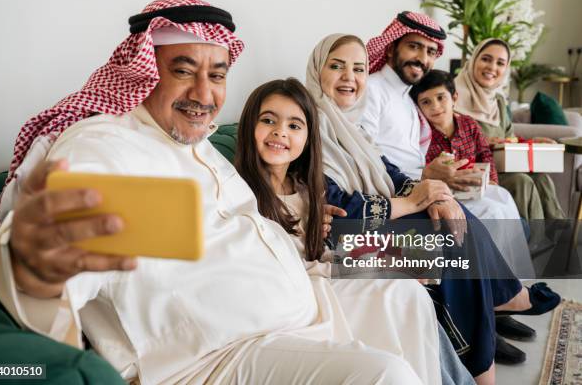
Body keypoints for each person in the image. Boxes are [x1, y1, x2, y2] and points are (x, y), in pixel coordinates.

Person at [0, 0, 432, 385]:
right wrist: (35, 273)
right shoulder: (104, 149)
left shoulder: (196, 145)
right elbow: (54, 264)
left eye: (217, 75)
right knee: (383, 376)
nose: (204, 93)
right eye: (183, 70)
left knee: (403, 295)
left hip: (303, 306)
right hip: (215, 356)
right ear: (142, 73)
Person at [306, 33, 560, 385]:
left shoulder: (352, 127)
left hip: (374, 221)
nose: (350, 77)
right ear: (317, 70)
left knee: (452, 216)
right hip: (344, 239)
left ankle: (492, 329)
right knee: (449, 244)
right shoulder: (308, 126)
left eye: (358, 68)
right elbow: (339, 206)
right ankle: (493, 333)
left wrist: (435, 194)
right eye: (337, 66)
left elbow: (389, 173)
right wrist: (414, 200)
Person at [235, 76, 473, 385]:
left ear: (308, 137)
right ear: (249, 126)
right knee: (398, 290)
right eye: (268, 120)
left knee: (418, 272)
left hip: (324, 268)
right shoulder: (239, 190)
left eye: (295, 126)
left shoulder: (308, 186)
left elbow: (324, 248)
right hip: (300, 289)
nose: (281, 131)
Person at [410, 69, 534, 276]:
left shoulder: (468, 124)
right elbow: (419, 167)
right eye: (426, 102)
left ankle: (517, 273)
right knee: (493, 212)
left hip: (474, 187)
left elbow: (484, 153)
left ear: (454, 98)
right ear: (418, 107)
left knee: (503, 196)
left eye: (441, 98)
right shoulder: (422, 135)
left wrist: (492, 180)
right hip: (447, 194)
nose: (435, 106)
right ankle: (494, 277)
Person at [454, 38, 566, 220]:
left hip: (502, 169)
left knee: (541, 177)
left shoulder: (498, 101)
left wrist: (532, 142)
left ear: (506, 69)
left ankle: (560, 237)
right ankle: (528, 243)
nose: (492, 67)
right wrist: (482, 143)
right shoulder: (452, 96)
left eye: (500, 63)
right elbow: (445, 144)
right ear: (474, 60)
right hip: (475, 174)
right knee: (521, 181)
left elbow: (509, 139)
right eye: (486, 59)